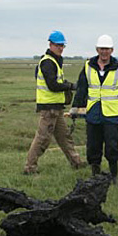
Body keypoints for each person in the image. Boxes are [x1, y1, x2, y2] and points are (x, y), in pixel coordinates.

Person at [70, 34, 118, 183]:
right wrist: (75, 107)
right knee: (93, 146)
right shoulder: (88, 66)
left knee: (112, 146)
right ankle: (96, 175)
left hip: (111, 114)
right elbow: (82, 87)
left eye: (107, 49)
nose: (104, 52)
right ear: (97, 50)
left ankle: (114, 175)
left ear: (112, 50)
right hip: (93, 112)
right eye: (102, 49)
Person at [23, 30, 86, 174]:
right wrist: (71, 86)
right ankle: (29, 167)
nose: (61, 48)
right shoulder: (47, 62)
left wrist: (68, 85)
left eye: (63, 46)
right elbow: (53, 85)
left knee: (64, 137)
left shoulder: (54, 61)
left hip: (56, 107)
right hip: (49, 108)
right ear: (50, 44)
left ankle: (76, 162)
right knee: (43, 139)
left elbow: (57, 81)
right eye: (58, 45)